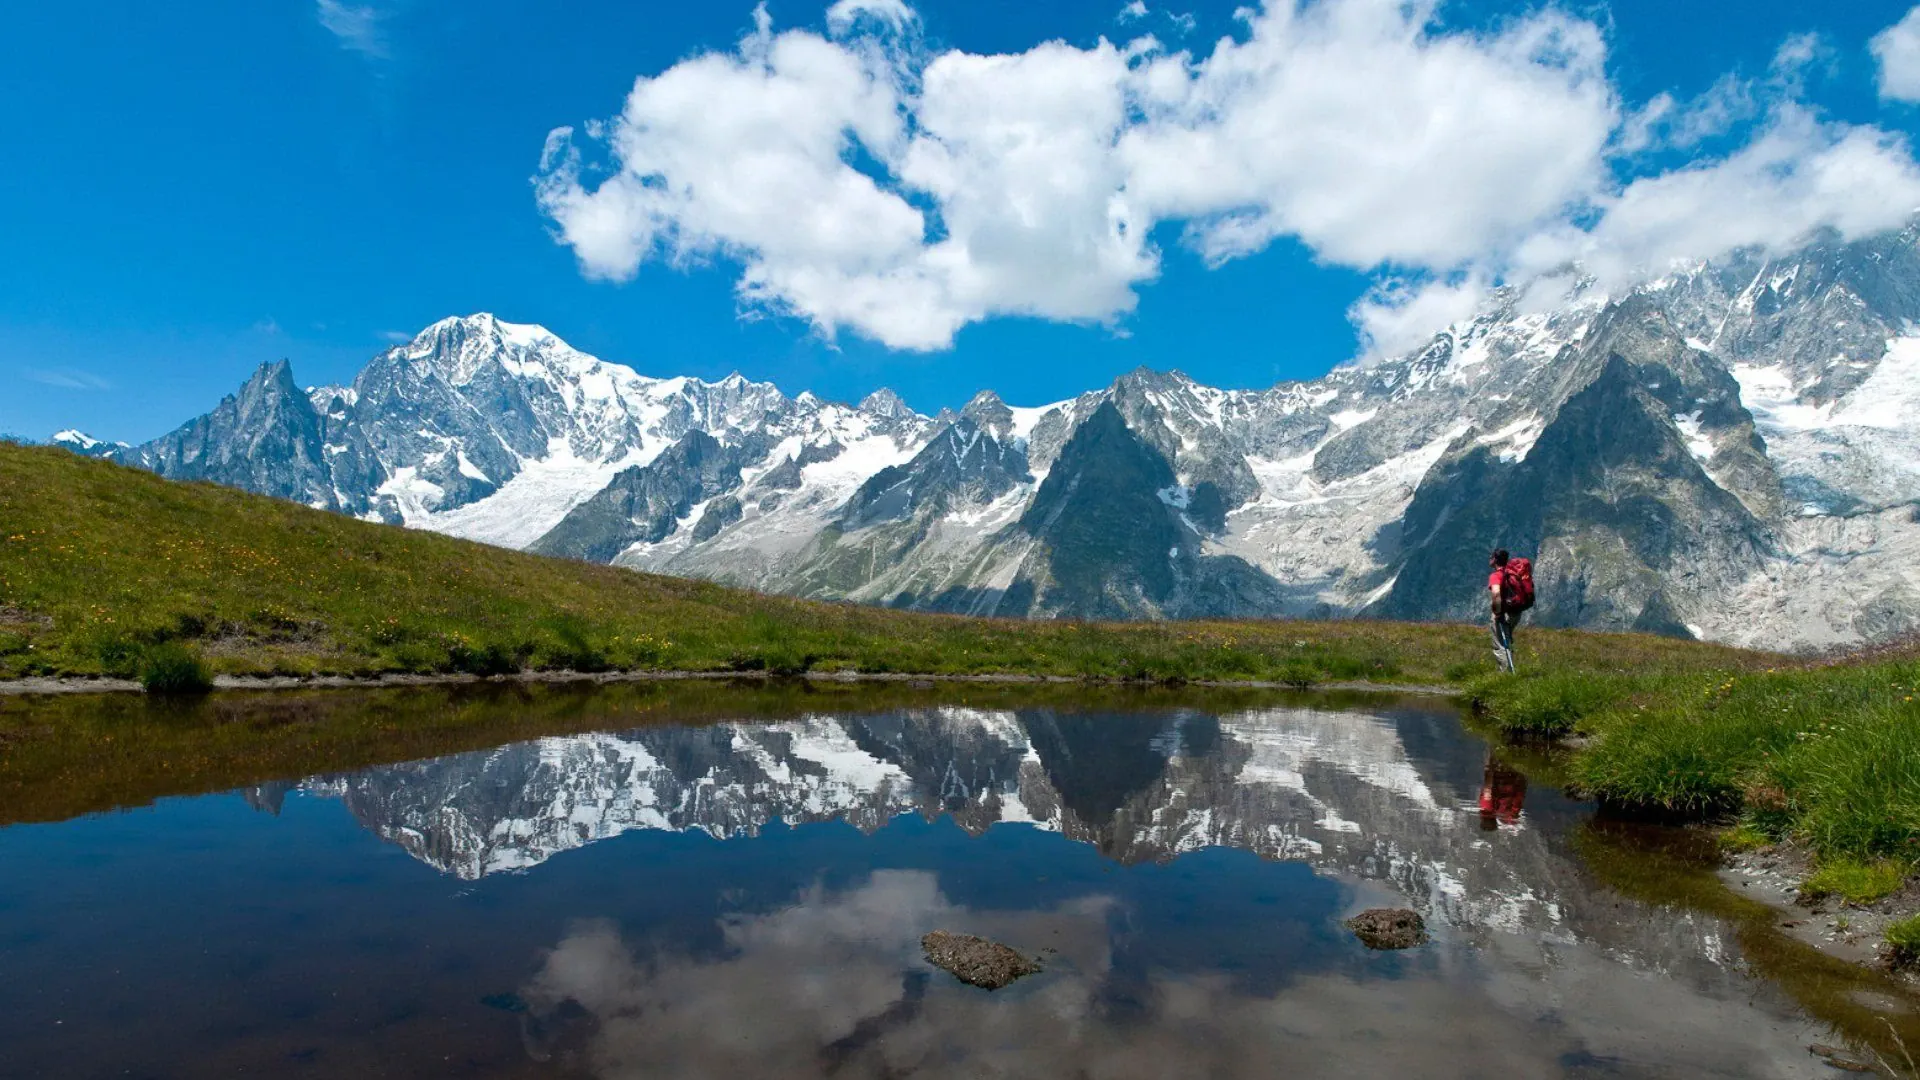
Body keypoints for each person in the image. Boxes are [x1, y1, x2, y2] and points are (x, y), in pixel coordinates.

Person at [1488, 548, 1523, 674]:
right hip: (1516, 613)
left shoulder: (1496, 575)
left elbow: (1496, 594)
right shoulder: (1511, 574)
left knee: (1500, 644)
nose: (1489, 559)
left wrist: (1498, 613)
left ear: (1495, 560)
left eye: (1491, 557)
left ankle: (1506, 675)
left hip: (1504, 613)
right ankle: (1509, 669)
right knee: (1507, 640)